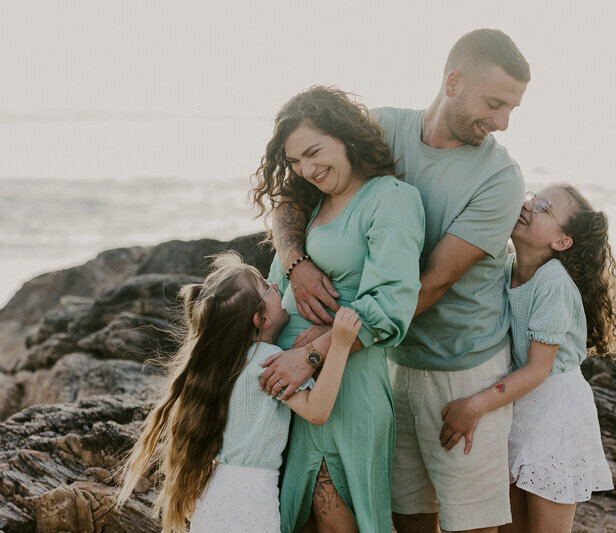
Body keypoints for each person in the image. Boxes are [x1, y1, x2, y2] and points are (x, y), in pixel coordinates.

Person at [265, 29, 529, 532]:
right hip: (385, 358)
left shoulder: (500, 177)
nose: (503, 122)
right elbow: (295, 194)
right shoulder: (383, 128)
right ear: (453, 82)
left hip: (460, 363)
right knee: (403, 513)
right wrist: (296, 262)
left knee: (469, 522)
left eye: (511, 108)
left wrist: (320, 349)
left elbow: (427, 285)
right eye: (495, 103)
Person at [250, 86, 425, 532]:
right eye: (294, 161)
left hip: (341, 384)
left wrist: (311, 356)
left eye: (314, 152)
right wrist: (296, 263)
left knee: (338, 523)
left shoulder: (390, 198)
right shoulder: (313, 200)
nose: (307, 169)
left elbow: (391, 304)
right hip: (289, 387)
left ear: (346, 136)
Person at [115, 251, 362, 533]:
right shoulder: (267, 361)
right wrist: (339, 343)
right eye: (267, 288)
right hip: (251, 505)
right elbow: (316, 412)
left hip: (213, 499)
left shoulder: (223, 364)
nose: (277, 286)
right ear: (262, 320)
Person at [439, 185, 616, 532]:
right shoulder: (508, 266)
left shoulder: (553, 283)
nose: (528, 205)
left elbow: (537, 369)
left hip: (556, 415)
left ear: (561, 241)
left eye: (544, 207)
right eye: (532, 196)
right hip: (519, 408)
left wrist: (475, 405)